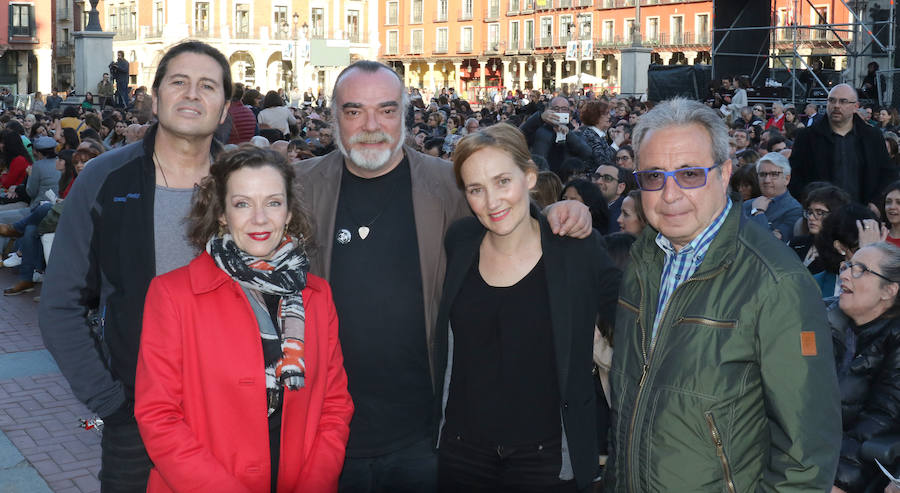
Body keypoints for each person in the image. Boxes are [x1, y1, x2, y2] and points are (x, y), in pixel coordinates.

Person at [294, 60, 591, 493]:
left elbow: (502, 215)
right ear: (333, 114)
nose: (371, 125)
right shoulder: (296, 187)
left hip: (427, 435)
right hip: (324, 430)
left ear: (407, 115)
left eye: (388, 109)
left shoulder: (448, 186)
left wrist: (559, 214)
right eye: (354, 110)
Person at [606, 98, 841, 492]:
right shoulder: (643, 261)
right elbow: (628, 409)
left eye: (690, 174)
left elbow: (805, 457)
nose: (669, 194)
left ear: (725, 172)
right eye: (653, 177)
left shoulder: (777, 282)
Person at [39, 41, 232, 492]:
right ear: (156, 94)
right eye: (178, 82)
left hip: (237, 413)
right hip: (137, 421)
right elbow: (60, 304)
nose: (191, 94)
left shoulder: (248, 182)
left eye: (208, 86)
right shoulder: (104, 178)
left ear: (224, 108)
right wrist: (110, 401)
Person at [135, 145, 353, 492]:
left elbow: (335, 405)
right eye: (242, 204)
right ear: (221, 212)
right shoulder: (173, 295)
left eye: (273, 202)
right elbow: (159, 417)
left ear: (289, 211)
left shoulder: (317, 296)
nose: (260, 218)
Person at [434, 123, 620, 492]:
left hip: (546, 458)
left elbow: (629, 318)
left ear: (530, 177)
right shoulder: (460, 240)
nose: (492, 201)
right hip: (461, 453)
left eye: (503, 181)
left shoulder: (575, 249)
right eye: (476, 189)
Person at [827, 242, 900, 493]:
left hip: (850, 470)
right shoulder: (820, 319)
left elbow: (881, 420)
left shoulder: (895, 339)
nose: (845, 274)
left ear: (889, 290)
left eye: (860, 269)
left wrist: (836, 481)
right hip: (798, 456)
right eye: (846, 266)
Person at [789, 84, 896, 205]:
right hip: (820, 215)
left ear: (855, 106)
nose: (836, 106)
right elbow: (795, 176)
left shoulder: (872, 137)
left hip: (863, 214)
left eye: (843, 101)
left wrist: (876, 204)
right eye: (832, 100)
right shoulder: (807, 137)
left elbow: (887, 174)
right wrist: (810, 202)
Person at [519, 96, 591, 174]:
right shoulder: (538, 128)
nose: (560, 112)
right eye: (556, 109)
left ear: (569, 112)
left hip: (566, 178)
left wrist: (568, 134)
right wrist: (540, 117)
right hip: (543, 176)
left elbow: (586, 152)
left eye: (564, 109)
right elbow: (518, 135)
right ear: (548, 110)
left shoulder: (574, 129)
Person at [789, 185, 851, 275]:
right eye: (810, 212)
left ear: (837, 215)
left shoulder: (841, 253)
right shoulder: (796, 243)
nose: (811, 217)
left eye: (820, 213)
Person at [742, 152, 803, 243]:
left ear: (787, 179)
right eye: (762, 174)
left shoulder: (794, 210)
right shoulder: (747, 205)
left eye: (774, 174)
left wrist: (758, 212)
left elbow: (771, 243)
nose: (767, 180)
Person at [574, 100, 616, 169]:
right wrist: (616, 144)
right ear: (595, 116)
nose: (609, 116)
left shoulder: (598, 134)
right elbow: (603, 162)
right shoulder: (590, 135)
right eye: (606, 114)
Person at [593, 164, 629, 233]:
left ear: (620, 188)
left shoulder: (624, 215)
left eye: (607, 178)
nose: (598, 181)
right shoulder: (586, 204)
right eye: (596, 176)